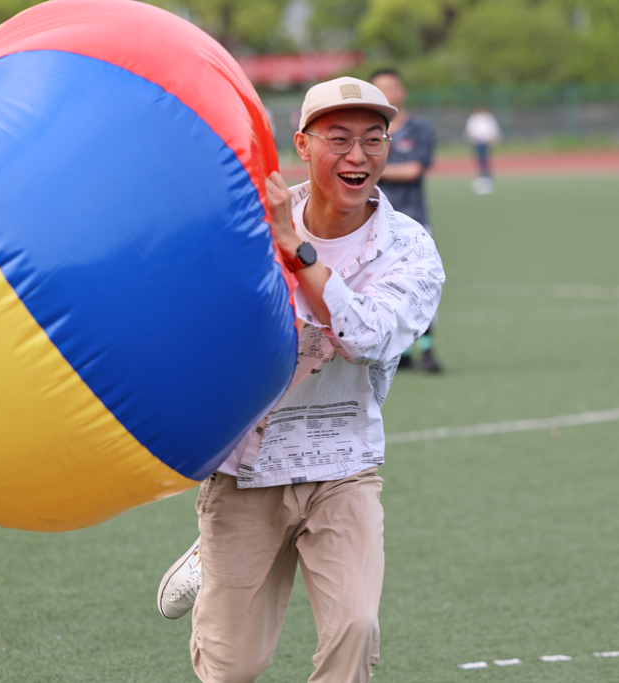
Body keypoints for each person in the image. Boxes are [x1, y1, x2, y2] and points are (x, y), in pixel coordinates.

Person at [156, 76, 444, 683]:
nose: (357, 156)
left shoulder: (409, 248)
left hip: (344, 462)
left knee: (356, 630)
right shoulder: (249, 221)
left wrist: (299, 253)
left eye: (374, 138)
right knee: (234, 667)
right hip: (246, 466)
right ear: (303, 145)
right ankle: (213, 549)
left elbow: (370, 337)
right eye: (338, 139)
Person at [370, 69, 442, 372]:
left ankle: (427, 349)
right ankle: (399, 353)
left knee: (420, 288)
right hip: (372, 222)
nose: (388, 93)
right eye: (380, 88)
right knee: (377, 288)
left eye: (392, 87)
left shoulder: (419, 129)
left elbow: (414, 170)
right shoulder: (367, 130)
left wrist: (373, 169)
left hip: (413, 221)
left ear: (403, 91)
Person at [464, 107, 501, 195]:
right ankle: (481, 175)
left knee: (486, 159)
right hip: (477, 141)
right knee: (479, 159)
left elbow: (493, 128)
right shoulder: (473, 118)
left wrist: (493, 137)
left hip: (486, 141)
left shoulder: (488, 117)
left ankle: (487, 175)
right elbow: (470, 130)